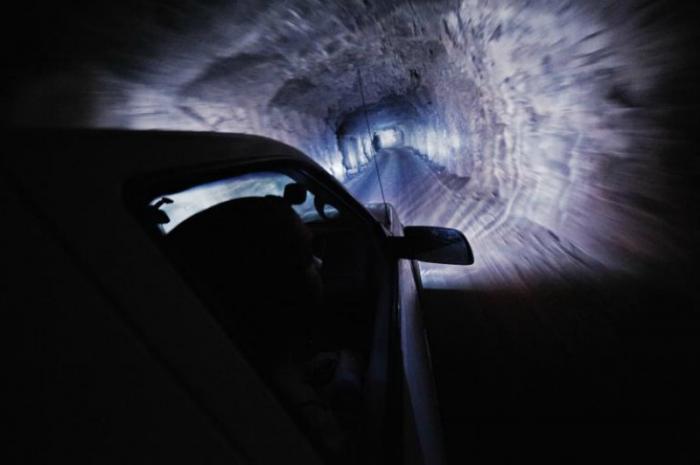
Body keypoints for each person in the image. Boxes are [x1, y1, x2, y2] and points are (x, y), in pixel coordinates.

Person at [167, 196, 364, 464]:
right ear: (279, 279)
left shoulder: (226, 358)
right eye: (306, 257)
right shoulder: (303, 415)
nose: (319, 263)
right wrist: (348, 374)